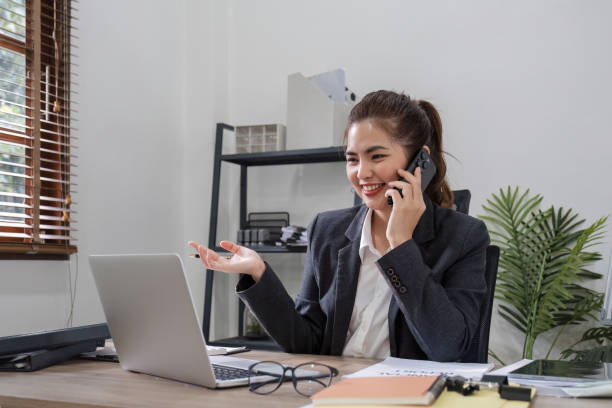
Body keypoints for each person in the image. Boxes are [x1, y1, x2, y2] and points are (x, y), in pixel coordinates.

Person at [189, 90, 489, 362]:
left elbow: (449, 347)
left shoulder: (463, 238)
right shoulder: (327, 230)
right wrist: (257, 273)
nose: (362, 173)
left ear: (420, 161)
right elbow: (307, 341)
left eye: (377, 156)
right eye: (352, 159)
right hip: (334, 390)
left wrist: (401, 244)